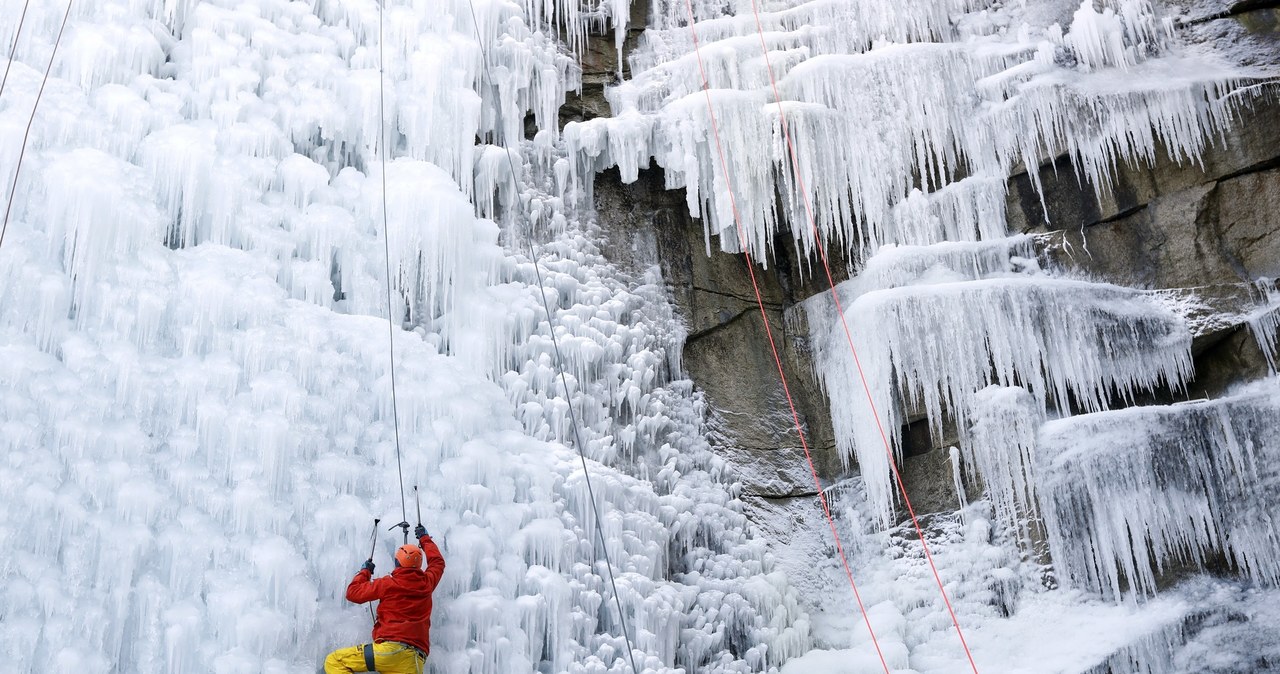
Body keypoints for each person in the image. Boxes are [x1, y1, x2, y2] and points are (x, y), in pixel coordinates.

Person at [324, 524, 446, 673]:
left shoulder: (387, 584)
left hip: (388, 652)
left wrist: (365, 572)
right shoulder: (427, 583)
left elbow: (353, 593)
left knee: (334, 661)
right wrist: (425, 538)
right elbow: (437, 563)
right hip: (414, 660)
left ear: (397, 563)